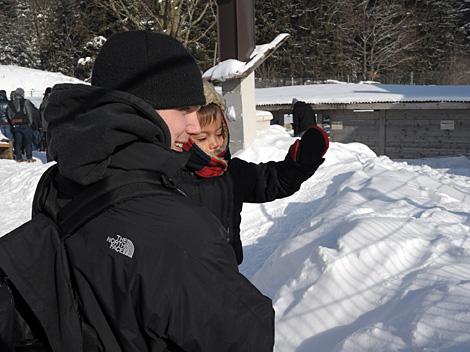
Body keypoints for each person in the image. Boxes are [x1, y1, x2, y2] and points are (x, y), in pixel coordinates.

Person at [33, 31, 274, 351]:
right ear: (144, 107)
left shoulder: (59, 182)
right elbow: (245, 336)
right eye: (185, 109)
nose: (194, 126)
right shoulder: (175, 230)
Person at [177, 82, 329, 264]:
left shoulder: (231, 173)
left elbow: (273, 181)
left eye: (219, 133)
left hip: (226, 272)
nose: (216, 143)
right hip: (183, 281)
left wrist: (300, 163)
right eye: (202, 137)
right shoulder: (170, 179)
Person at [9, 87, 36, 162]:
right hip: (25, 125)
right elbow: (29, 113)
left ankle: (19, 158)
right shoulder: (26, 101)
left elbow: (9, 114)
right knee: (28, 142)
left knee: (18, 143)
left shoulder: (11, 103)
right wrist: (30, 123)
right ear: (22, 94)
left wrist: (13, 121)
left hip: (16, 125)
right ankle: (29, 157)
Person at [39, 87, 51, 152]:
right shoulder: (48, 101)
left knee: (45, 138)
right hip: (48, 124)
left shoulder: (44, 101)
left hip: (45, 124)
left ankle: (44, 148)